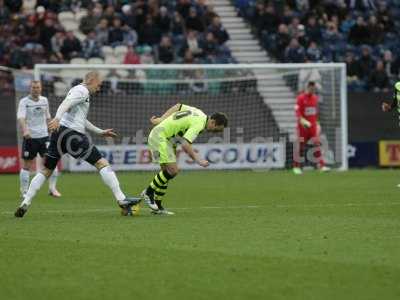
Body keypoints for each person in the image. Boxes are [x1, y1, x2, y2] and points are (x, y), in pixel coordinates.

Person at [15, 72, 139, 218]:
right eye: (98, 85)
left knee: (46, 170)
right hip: (72, 136)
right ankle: (121, 198)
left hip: (59, 134)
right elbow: (65, 104)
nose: (98, 89)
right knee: (101, 163)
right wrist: (57, 118)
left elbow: (81, 118)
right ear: (92, 81)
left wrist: (100, 132)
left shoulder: (76, 90)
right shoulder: (83, 91)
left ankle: (26, 202)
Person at [138, 103, 228, 215]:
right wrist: (198, 159)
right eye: (216, 130)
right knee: (173, 171)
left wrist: (161, 119)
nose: (215, 132)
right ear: (213, 122)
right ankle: (148, 192)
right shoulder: (199, 124)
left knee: (165, 173)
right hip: (161, 138)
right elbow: (185, 144)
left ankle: (157, 207)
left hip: (165, 138)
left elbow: (178, 106)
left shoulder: (199, 112)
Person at [17, 81, 61, 199]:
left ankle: (52, 188)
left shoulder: (44, 100)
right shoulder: (24, 102)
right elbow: (21, 117)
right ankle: (24, 191)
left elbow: (47, 116)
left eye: (38, 87)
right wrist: (25, 130)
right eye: (33, 87)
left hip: (44, 137)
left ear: (41, 88)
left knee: (51, 161)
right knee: (27, 165)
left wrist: (51, 127)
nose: (36, 89)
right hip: (30, 137)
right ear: (30, 88)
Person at [293, 81, 330, 174]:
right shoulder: (300, 98)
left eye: (314, 89)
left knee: (317, 144)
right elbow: (297, 111)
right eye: (311, 88)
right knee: (301, 146)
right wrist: (302, 121)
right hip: (303, 127)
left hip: (312, 127)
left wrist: (317, 123)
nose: (313, 90)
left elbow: (315, 113)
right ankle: (296, 167)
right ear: (307, 88)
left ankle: (321, 166)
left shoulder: (315, 98)